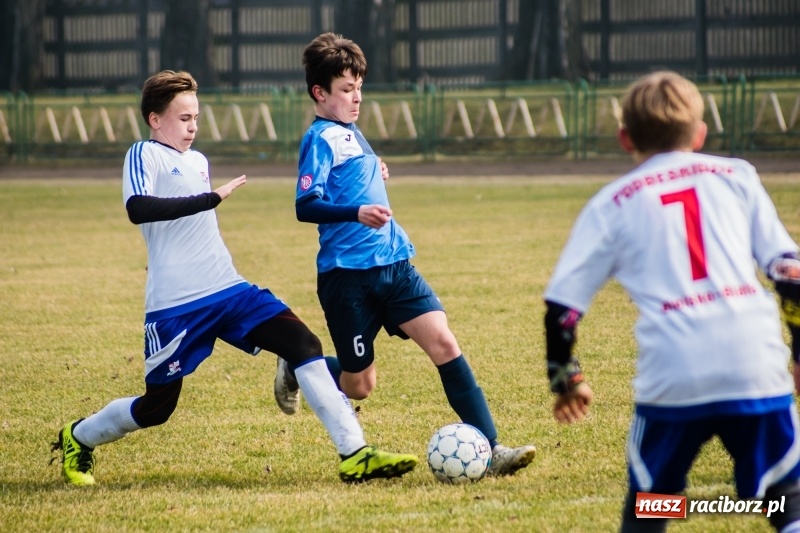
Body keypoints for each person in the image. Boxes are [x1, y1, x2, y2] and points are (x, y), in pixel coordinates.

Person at [50, 69, 419, 486]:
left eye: (196, 118)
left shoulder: (199, 161)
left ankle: (355, 453)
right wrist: (210, 198)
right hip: (176, 304)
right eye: (183, 118)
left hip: (227, 287)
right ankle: (77, 437)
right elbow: (138, 208)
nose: (192, 127)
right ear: (155, 119)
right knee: (157, 409)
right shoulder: (143, 154)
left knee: (304, 344)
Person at [543, 71, 800, 532]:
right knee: (784, 500)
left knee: (650, 506)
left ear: (625, 138)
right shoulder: (738, 176)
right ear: (700, 134)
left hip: (677, 372)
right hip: (755, 361)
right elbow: (789, 272)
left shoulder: (613, 202)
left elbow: (562, 309)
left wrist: (567, 379)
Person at [274, 32, 536, 477]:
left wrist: (373, 171)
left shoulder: (351, 132)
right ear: (320, 93)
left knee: (444, 342)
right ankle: (301, 367)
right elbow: (306, 205)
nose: (357, 98)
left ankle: (492, 450)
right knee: (360, 386)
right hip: (347, 279)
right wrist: (357, 210)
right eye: (346, 90)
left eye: (359, 88)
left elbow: (352, 174)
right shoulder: (319, 138)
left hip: (394, 265)